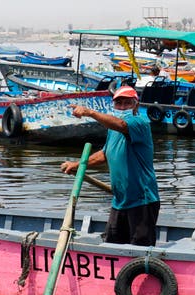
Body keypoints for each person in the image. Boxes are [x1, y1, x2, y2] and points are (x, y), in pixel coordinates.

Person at [60, 86, 160, 246]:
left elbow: (121, 124)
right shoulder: (112, 131)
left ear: (136, 106)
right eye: (118, 103)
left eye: (127, 103)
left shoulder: (139, 123)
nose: (122, 107)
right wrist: (78, 165)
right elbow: (104, 154)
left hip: (142, 201)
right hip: (119, 200)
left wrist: (90, 112)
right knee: (112, 246)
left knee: (140, 252)